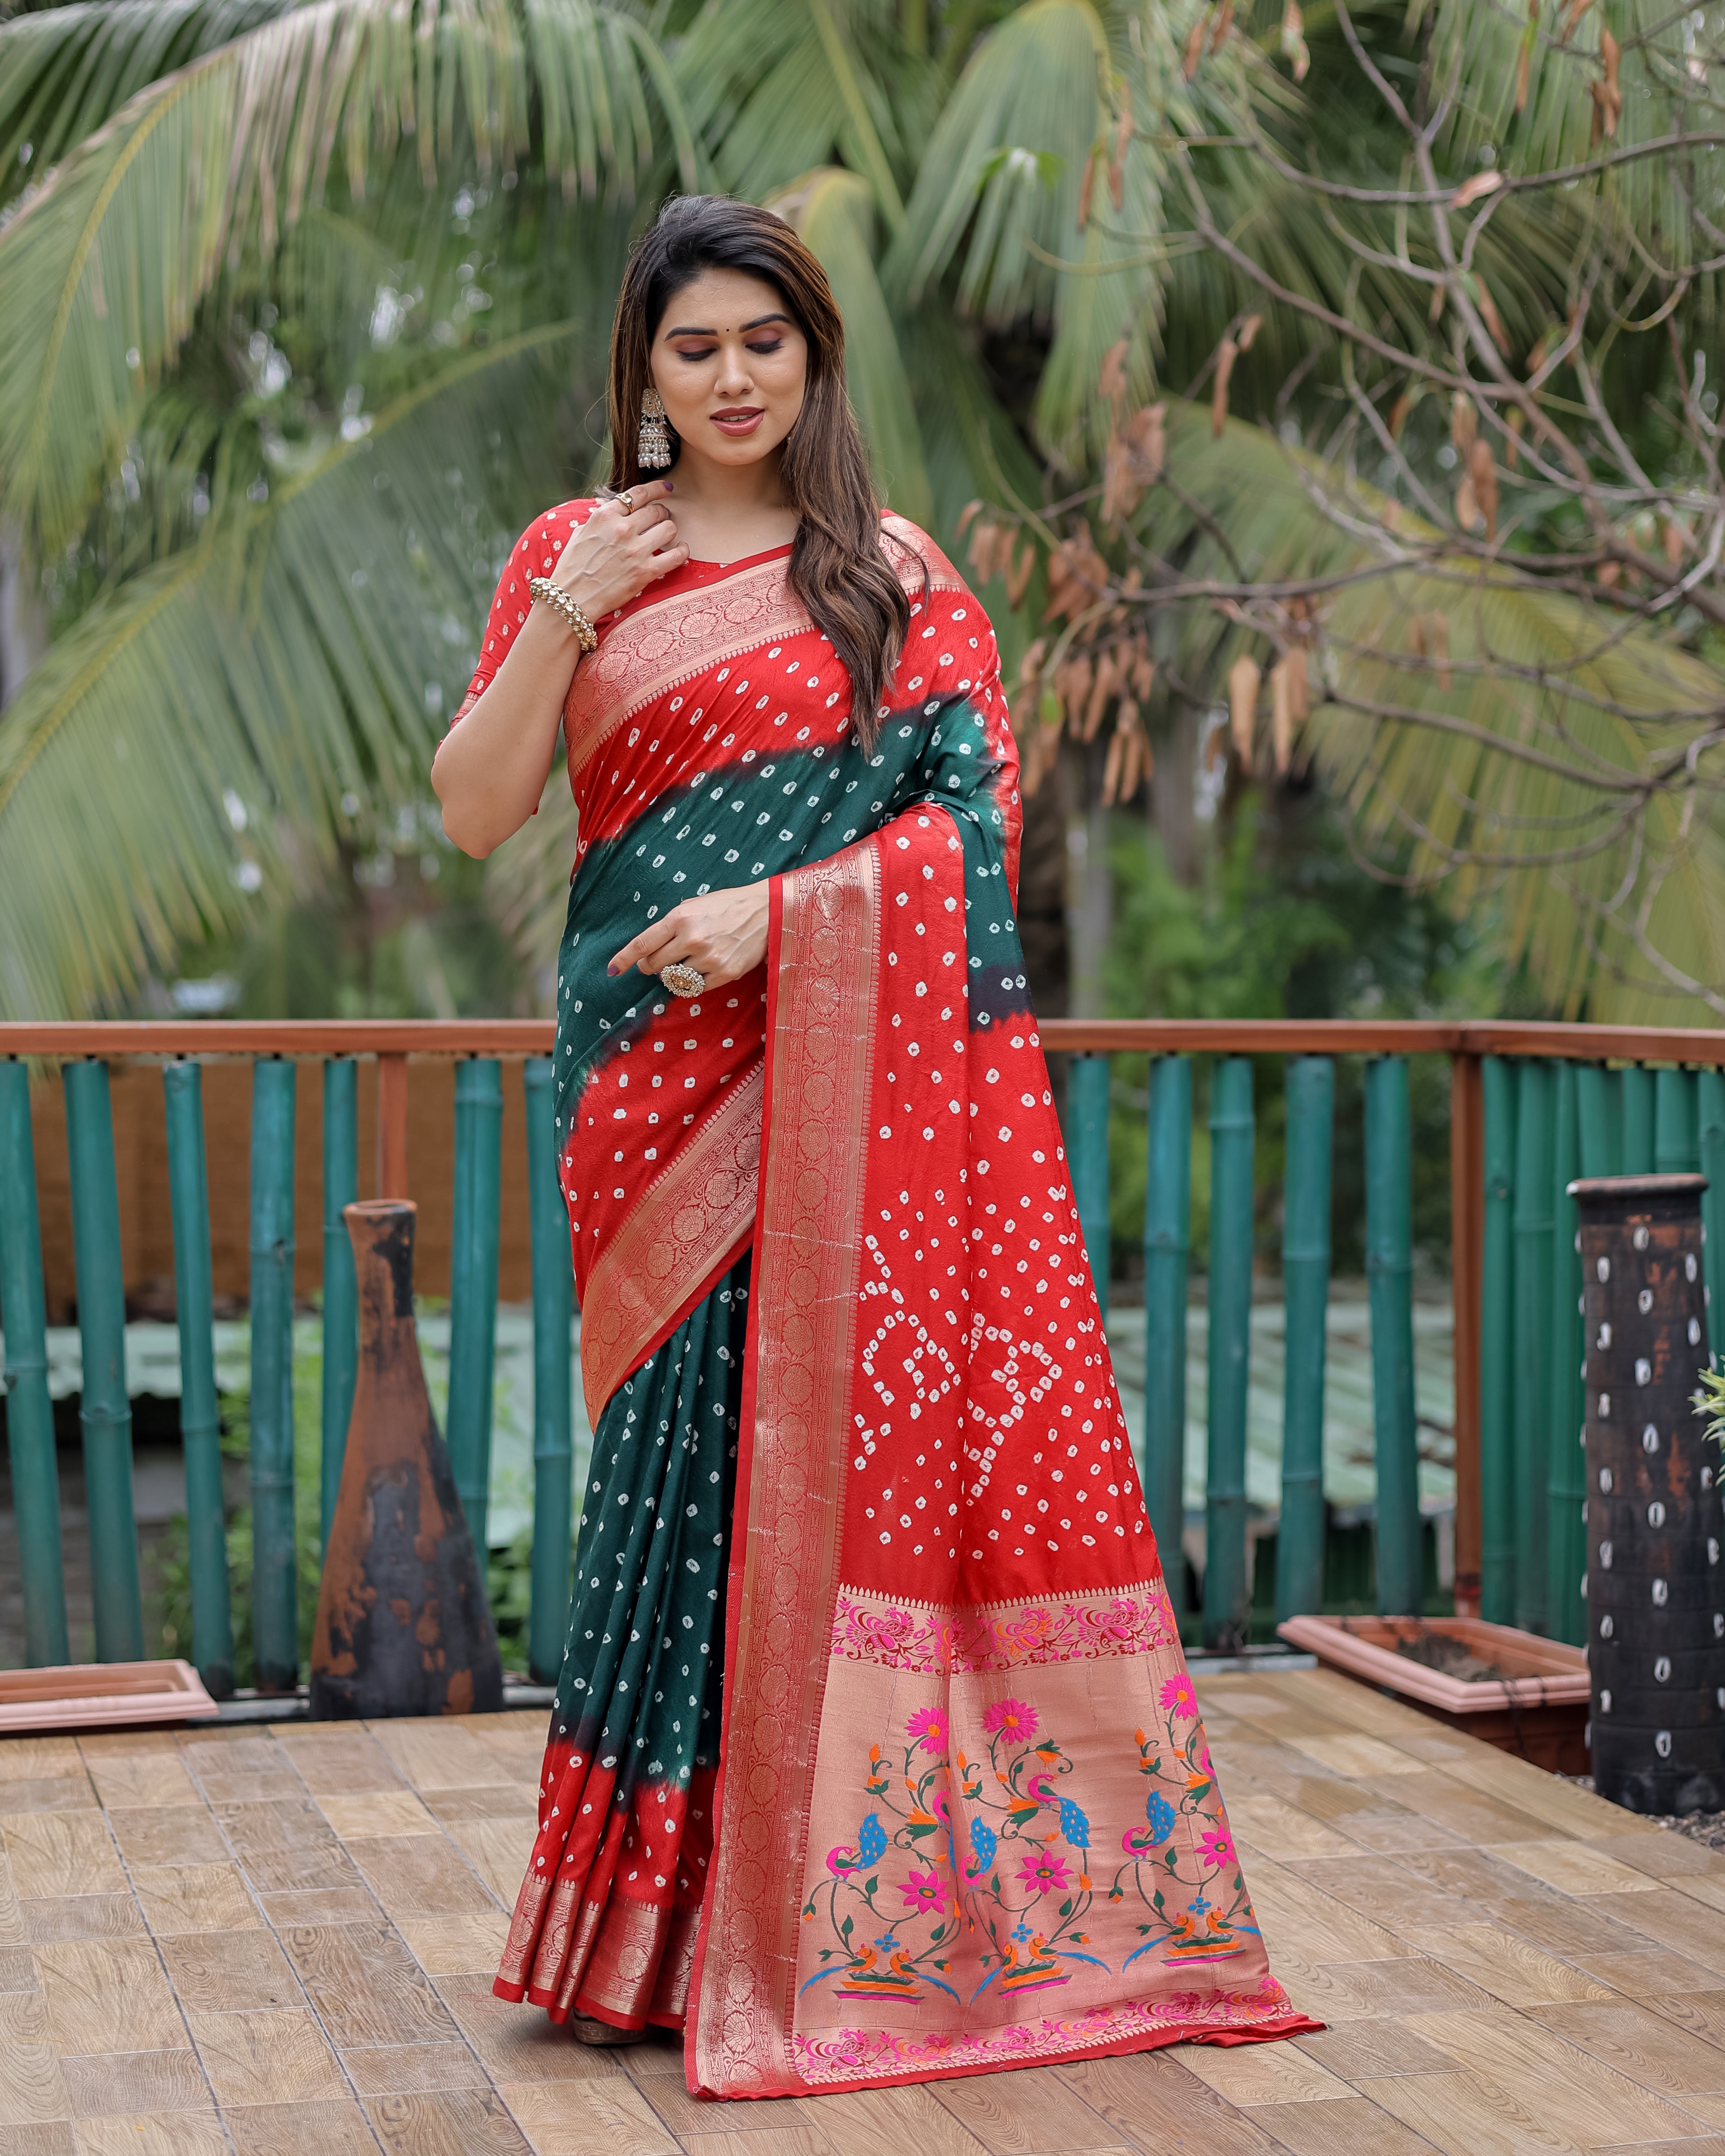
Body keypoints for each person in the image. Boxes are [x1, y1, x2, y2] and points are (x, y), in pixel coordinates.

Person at [431, 193, 1316, 2100]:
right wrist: (575, 610)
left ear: (817, 358)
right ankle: (644, 1935)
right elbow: (476, 807)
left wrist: (786, 919)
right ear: (644, 371)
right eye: (696, 347)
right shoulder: (571, 555)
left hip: (844, 1095)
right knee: (673, 1492)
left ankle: (809, 1924)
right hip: (645, 1093)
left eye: (768, 341)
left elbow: (971, 842)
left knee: (813, 1491)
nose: (735, 376)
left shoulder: (897, 581)